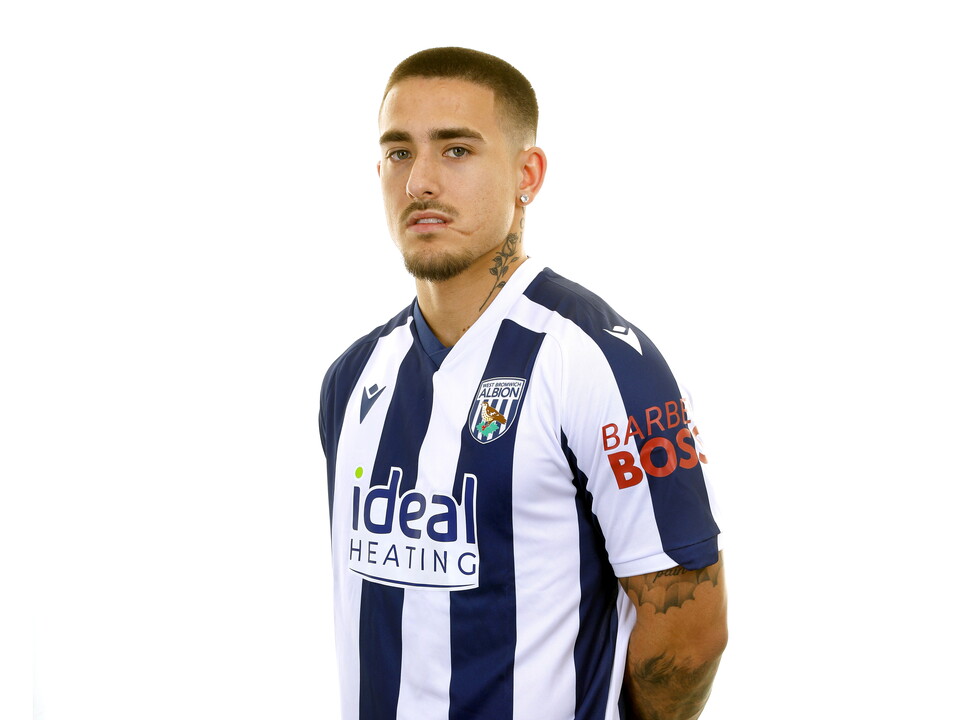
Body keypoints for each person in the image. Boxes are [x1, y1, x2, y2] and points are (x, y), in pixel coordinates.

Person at [318, 47, 727, 720]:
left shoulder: (595, 361)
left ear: (526, 174)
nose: (420, 180)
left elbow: (689, 634)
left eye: (455, 151)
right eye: (398, 153)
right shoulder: (353, 376)